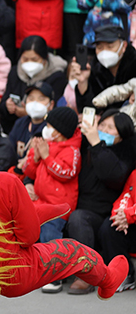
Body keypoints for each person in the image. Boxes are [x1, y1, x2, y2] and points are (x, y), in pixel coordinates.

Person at [0, 109, 129, 299]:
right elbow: (28, 236)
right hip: (11, 272)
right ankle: (108, 279)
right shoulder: (6, 182)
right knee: (73, 250)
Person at [62, 109, 136, 294]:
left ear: (122, 134)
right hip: (83, 208)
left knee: (93, 222)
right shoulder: (86, 144)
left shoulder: (126, 151)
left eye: (110, 127)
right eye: (102, 124)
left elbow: (114, 176)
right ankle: (79, 272)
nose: (103, 129)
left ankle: (93, 273)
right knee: (74, 217)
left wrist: (96, 143)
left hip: (113, 213)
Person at [23, 106, 81, 242]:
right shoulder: (46, 144)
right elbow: (28, 171)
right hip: (38, 202)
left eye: (49, 126)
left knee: (48, 238)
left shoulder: (72, 151)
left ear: (60, 131)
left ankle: (54, 262)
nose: (46, 129)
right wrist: (36, 158)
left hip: (57, 209)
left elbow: (66, 173)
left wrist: (47, 157)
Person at [0, 35, 67, 132]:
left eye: (35, 59)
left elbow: (58, 109)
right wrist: (7, 106)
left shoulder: (57, 76)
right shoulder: (15, 72)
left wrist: (31, 113)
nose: (29, 63)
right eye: (25, 59)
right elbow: (2, 105)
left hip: (45, 129)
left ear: (45, 58)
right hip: (16, 128)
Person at [71, 24, 136, 111]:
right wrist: (83, 82)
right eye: (100, 47)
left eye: (110, 47)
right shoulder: (95, 69)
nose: (105, 52)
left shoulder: (133, 64)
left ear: (123, 46)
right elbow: (88, 109)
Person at [100, 167, 136, 291]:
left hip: (133, 217)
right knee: (110, 226)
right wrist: (120, 216)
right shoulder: (134, 174)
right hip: (131, 222)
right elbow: (125, 197)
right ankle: (125, 275)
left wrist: (130, 215)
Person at [9, 81, 55, 167]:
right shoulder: (20, 123)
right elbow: (9, 149)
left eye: (41, 99)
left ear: (51, 104)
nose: (35, 103)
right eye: (31, 98)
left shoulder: (52, 128)